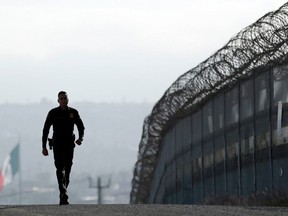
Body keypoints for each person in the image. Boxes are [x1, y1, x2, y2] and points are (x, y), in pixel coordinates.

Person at [42, 91, 85, 205]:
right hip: (57, 144)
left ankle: (63, 192)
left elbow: (81, 127)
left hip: (69, 144)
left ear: (68, 100)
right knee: (60, 169)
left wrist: (81, 138)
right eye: (61, 98)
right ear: (58, 100)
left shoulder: (73, 112)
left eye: (65, 98)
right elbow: (46, 130)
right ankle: (63, 193)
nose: (63, 100)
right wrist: (44, 146)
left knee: (68, 169)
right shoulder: (53, 113)